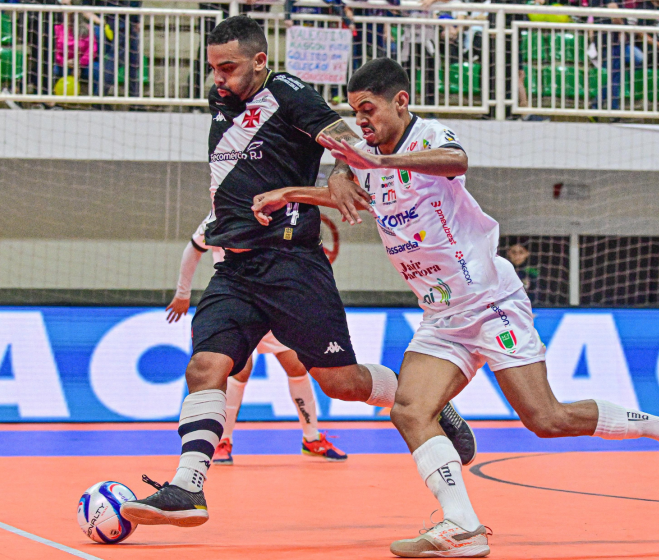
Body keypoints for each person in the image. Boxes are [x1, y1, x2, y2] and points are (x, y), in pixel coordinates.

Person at [253, 58, 659, 558]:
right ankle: (463, 526)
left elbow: (456, 160)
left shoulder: (426, 137)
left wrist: (374, 164)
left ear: (401, 102)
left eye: (369, 109)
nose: (361, 119)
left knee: (546, 419)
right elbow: (349, 184)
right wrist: (292, 191)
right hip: (440, 316)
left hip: (490, 302)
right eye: (355, 111)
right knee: (410, 410)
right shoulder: (366, 154)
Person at [120, 16, 475, 530]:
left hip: (291, 265)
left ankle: (420, 398)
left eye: (229, 67)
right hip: (234, 268)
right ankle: (187, 487)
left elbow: (353, 139)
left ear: (260, 62)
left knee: (341, 383)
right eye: (212, 67)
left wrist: (339, 170)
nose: (217, 78)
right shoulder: (224, 99)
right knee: (204, 367)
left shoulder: (289, 94)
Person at [165, 212, 348, 463]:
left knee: (295, 365)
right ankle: (222, 441)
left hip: (275, 297)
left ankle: (312, 438)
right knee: (238, 370)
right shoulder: (220, 211)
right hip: (238, 298)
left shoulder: (277, 208)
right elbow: (194, 248)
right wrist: (183, 293)